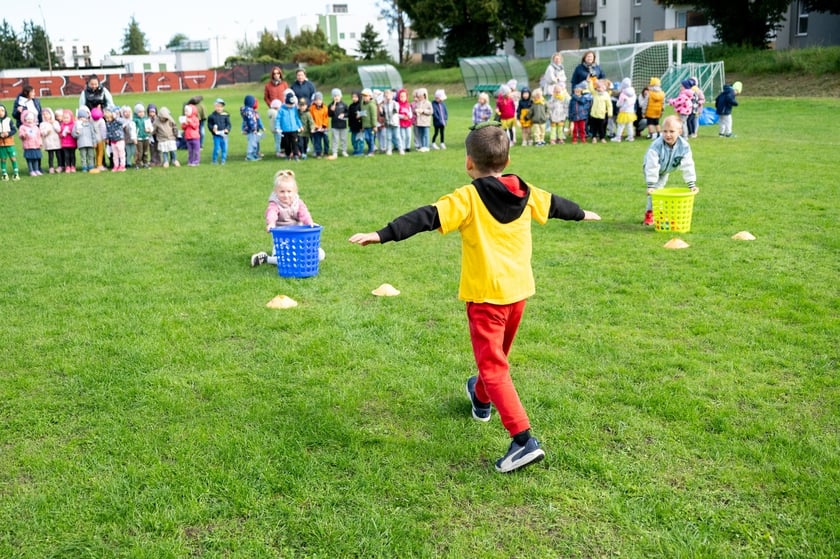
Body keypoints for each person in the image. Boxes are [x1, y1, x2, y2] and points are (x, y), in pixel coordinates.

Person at [348, 122, 601, 473]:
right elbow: (556, 205)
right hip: (517, 295)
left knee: (493, 366)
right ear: (508, 158)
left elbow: (426, 216)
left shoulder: (467, 197)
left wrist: (382, 234)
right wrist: (583, 213)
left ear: (469, 163)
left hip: (486, 299)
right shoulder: (525, 190)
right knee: (492, 362)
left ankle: (523, 440)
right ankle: (481, 400)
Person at [250, 169, 325, 267]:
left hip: (298, 238)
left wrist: (309, 223)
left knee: (320, 255)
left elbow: (304, 213)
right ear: (276, 192)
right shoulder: (274, 204)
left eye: (289, 191)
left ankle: (297, 258)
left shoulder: (298, 202)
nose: (286, 195)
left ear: (295, 191)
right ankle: (265, 258)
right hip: (282, 239)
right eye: (282, 192)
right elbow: (271, 213)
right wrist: (271, 223)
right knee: (284, 260)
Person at [642, 115, 698, 226]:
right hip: (652, 169)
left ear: (680, 132)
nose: (668, 135)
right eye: (665, 131)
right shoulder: (656, 146)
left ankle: (657, 212)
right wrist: (650, 185)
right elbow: (651, 166)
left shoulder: (684, 146)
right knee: (655, 190)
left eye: (672, 131)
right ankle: (650, 214)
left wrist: (691, 184)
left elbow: (688, 165)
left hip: (665, 170)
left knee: (659, 190)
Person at [276, 90, 303, 161]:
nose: (291, 106)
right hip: (285, 130)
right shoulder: (281, 110)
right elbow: (278, 119)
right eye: (289, 104)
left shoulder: (294, 109)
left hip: (294, 129)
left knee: (295, 143)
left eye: (292, 104)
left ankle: (296, 155)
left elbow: (297, 118)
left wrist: (300, 126)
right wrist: (278, 127)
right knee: (286, 144)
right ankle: (287, 155)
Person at [72, 106, 97, 173]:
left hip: (90, 143)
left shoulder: (89, 125)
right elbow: (73, 134)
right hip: (81, 144)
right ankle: (84, 167)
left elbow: (93, 134)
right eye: (81, 118)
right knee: (83, 156)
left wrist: (94, 142)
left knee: (91, 155)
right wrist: (77, 133)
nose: (83, 119)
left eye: (84, 117)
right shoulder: (77, 125)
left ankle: (91, 166)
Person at [18, 110, 43, 176]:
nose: (29, 120)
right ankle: (31, 170)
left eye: (31, 119)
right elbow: (20, 135)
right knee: (29, 159)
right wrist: (24, 135)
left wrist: (40, 143)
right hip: (28, 146)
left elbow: (39, 136)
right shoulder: (22, 127)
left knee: (36, 158)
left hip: (36, 145)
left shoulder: (35, 127)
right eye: (28, 119)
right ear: (24, 119)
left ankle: (36, 169)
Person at [587, 79, 613, 144]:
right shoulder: (595, 93)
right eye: (597, 87)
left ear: (604, 88)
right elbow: (591, 88)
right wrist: (590, 82)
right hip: (593, 114)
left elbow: (609, 105)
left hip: (601, 114)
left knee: (601, 127)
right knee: (593, 127)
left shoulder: (606, 95)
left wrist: (610, 112)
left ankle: (602, 138)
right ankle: (594, 137)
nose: (598, 88)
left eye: (600, 87)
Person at [207, 98, 231, 165]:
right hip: (216, 135)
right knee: (217, 148)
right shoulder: (211, 116)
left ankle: (223, 160)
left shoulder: (225, 115)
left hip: (224, 135)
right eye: (217, 106)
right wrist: (212, 129)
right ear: (214, 106)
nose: (219, 108)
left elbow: (228, 124)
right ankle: (214, 160)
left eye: (220, 106)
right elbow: (209, 125)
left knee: (224, 148)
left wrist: (227, 129)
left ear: (223, 107)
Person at [612, 78, 637, 142]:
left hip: (624, 112)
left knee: (621, 125)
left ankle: (618, 138)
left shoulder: (623, 93)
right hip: (631, 112)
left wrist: (617, 103)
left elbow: (619, 103)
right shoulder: (633, 93)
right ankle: (631, 137)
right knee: (629, 125)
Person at [241, 95, 264, 161]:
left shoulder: (248, 111)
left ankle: (254, 154)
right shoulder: (249, 112)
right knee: (252, 143)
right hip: (251, 130)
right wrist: (254, 129)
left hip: (250, 130)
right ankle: (249, 156)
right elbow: (251, 121)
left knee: (254, 142)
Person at [0, 104, 21, 180]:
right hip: (1, 144)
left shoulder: (8, 120)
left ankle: (16, 173)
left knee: (13, 158)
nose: (1, 112)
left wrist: (8, 133)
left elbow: (14, 130)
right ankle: (4, 174)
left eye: (2, 110)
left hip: (10, 143)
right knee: (3, 159)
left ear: (5, 111)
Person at [326, 88, 348, 159]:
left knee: (343, 139)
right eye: (335, 96)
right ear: (333, 97)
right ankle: (334, 152)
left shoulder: (344, 104)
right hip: (334, 125)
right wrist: (331, 110)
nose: (336, 97)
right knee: (335, 139)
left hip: (343, 125)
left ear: (341, 96)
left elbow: (348, 113)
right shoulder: (330, 105)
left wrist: (344, 115)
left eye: (338, 96)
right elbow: (329, 115)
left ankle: (344, 151)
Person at [103, 106, 127, 171]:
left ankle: (122, 165)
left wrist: (115, 117)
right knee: (115, 155)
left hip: (120, 140)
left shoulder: (117, 121)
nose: (107, 119)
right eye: (106, 118)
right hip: (113, 141)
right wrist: (107, 138)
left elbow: (122, 122)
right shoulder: (108, 123)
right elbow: (108, 131)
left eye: (108, 118)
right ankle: (116, 165)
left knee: (121, 154)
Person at [379, 88, 402, 155]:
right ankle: (389, 150)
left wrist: (386, 109)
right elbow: (383, 115)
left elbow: (395, 111)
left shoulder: (395, 104)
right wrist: (381, 110)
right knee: (388, 137)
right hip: (388, 124)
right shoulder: (384, 105)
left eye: (389, 96)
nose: (387, 97)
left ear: (392, 96)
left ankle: (401, 149)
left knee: (397, 136)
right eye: (386, 96)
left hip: (395, 123)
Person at [40, 107, 62, 173]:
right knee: (51, 156)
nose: (45, 116)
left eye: (47, 114)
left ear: (50, 115)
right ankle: (51, 167)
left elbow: (59, 130)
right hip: (49, 142)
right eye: (44, 114)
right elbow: (41, 133)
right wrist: (46, 132)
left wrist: (53, 124)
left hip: (56, 141)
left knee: (58, 155)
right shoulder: (42, 124)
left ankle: (60, 166)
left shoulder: (55, 122)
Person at [309, 91, 330, 158]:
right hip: (316, 128)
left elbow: (326, 117)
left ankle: (326, 152)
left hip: (324, 128)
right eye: (316, 100)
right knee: (317, 141)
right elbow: (311, 118)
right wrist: (315, 126)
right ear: (314, 101)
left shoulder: (325, 107)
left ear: (322, 100)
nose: (318, 101)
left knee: (326, 140)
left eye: (319, 99)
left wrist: (324, 126)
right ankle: (318, 153)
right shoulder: (311, 108)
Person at [360, 89, 379, 156]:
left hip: (371, 126)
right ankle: (372, 148)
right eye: (363, 96)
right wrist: (362, 125)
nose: (364, 97)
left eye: (366, 96)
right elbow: (362, 116)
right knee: (366, 138)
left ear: (370, 96)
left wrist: (374, 125)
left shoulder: (372, 105)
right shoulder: (362, 105)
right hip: (365, 126)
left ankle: (371, 151)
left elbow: (374, 116)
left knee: (371, 138)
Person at [413, 88, 433, 152]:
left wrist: (423, 111)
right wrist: (416, 111)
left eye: (420, 96)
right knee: (420, 134)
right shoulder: (417, 103)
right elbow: (414, 110)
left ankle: (426, 146)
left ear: (424, 95)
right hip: (419, 122)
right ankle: (421, 146)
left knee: (426, 134)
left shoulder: (428, 103)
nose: (419, 98)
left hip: (425, 122)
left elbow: (431, 111)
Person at [133, 104, 152, 169]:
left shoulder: (146, 119)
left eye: (142, 112)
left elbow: (150, 127)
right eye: (139, 112)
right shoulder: (135, 120)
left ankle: (145, 162)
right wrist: (134, 138)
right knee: (139, 152)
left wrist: (149, 130)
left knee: (145, 151)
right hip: (139, 138)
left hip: (146, 137)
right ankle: (137, 163)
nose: (141, 113)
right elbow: (133, 130)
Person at [58, 108, 76, 173]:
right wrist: (63, 134)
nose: (66, 119)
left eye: (67, 118)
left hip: (72, 143)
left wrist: (70, 132)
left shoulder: (73, 125)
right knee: (66, 156)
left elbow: (75, 134)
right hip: (65, 144)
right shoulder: (62, 125)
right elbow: (60, 134)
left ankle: (73, 166)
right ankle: (67, 166)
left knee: (72, 155)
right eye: (64, 118)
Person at [396, 88, 413, 152]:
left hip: (408, 122)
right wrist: (402, 117)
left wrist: (409, 116)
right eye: (401, 96)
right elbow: (396, 114)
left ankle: (407, 147)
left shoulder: (408, 105)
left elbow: (410, 113)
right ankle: (402, 147)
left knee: (408, 135)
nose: (403, 98)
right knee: (402, 136)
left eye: (404, 96)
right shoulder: (397, 105)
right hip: (401, 123)